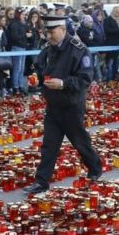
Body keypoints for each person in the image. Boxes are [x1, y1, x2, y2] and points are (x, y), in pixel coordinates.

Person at [24, 15, 101, 194]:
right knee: (49, 145)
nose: (48, 36)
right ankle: (42, 181)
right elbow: (40, 68)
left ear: (63, 30)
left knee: (80, 142)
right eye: (46, 32)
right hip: (53, 105)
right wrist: (36, 80)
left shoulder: (79, 50)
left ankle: (95, 168)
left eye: (51, 32)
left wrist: (63, 84)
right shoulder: (47, 49)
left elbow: (85, 79)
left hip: (71, 105)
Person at [7, 8, 30, 95]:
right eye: (23, 14)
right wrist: (25, 35)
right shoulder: (14, 24)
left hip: (23, 47)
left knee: (22, 68)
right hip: (17, 48)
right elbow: (14, 37)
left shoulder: (23, 24)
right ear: (19, 14)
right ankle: (15, 87)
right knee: (17, 68)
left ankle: (20, 86)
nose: (24, 16)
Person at [103, 6, 119, 81]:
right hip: (110, 45)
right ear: (113, 11)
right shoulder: (107, 20)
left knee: (116, 64)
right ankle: (109, 80)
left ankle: (115, 79)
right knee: (109, 64)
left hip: (118, 45)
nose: (118, 14)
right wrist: (118, 30)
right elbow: (107, 30)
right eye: (117, 12)